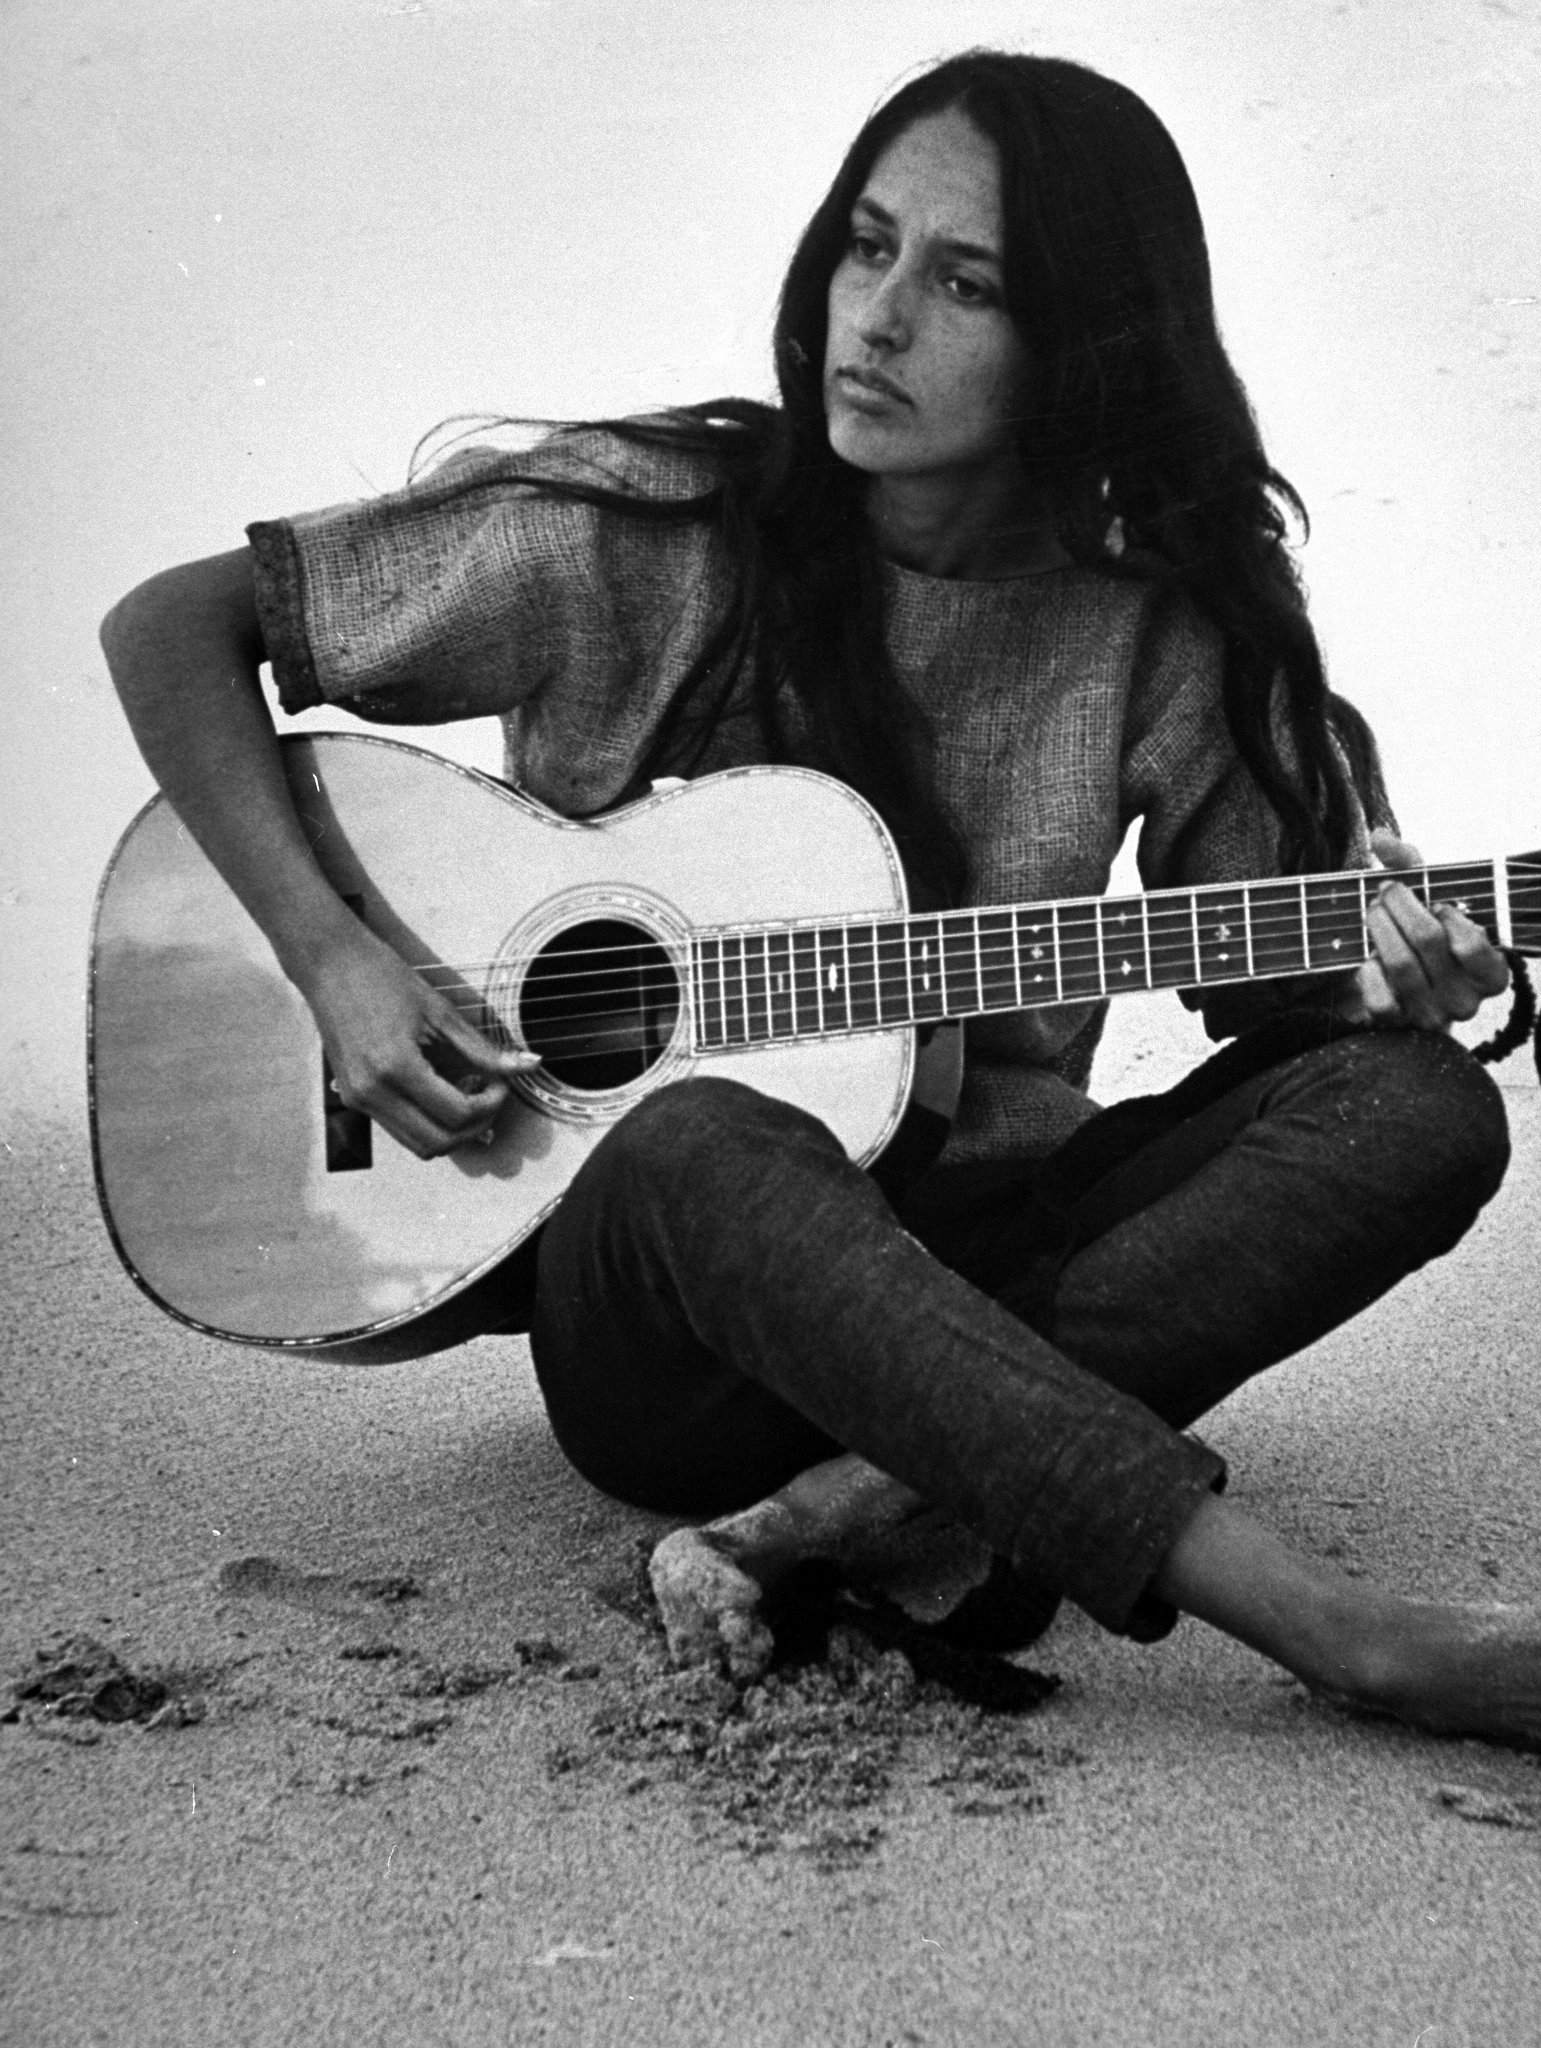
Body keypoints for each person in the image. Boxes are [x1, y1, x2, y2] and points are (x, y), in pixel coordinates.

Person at [101, 51, 1541, 1750]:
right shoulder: (643, 529)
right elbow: (175, 626)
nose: (877, 316)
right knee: (706, 1131)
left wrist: (1399, 971)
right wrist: (334, 956)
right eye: (866, 246)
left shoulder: (1163, 630)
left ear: (1087, 338)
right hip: (674, 1324)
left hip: (982, 1254)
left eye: (964, 281)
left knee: (1418, 1109)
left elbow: (1285, 992)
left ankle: (834, 1513)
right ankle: (1345, 1635)